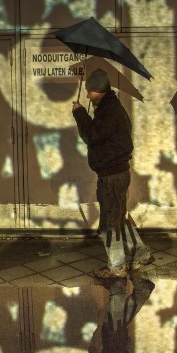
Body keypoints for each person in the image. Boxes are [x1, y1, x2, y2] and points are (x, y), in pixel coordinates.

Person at [72, 68, 154, 278]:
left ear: (99, 91)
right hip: (114, 174)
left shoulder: (109, 112)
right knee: (117, 215)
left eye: (90, 92)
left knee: (111, 220)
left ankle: (116, 265)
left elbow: (91, 135)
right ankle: (141, 252)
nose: (88, 95)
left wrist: (79, 113)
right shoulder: (109, 109)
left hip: (112, 176)